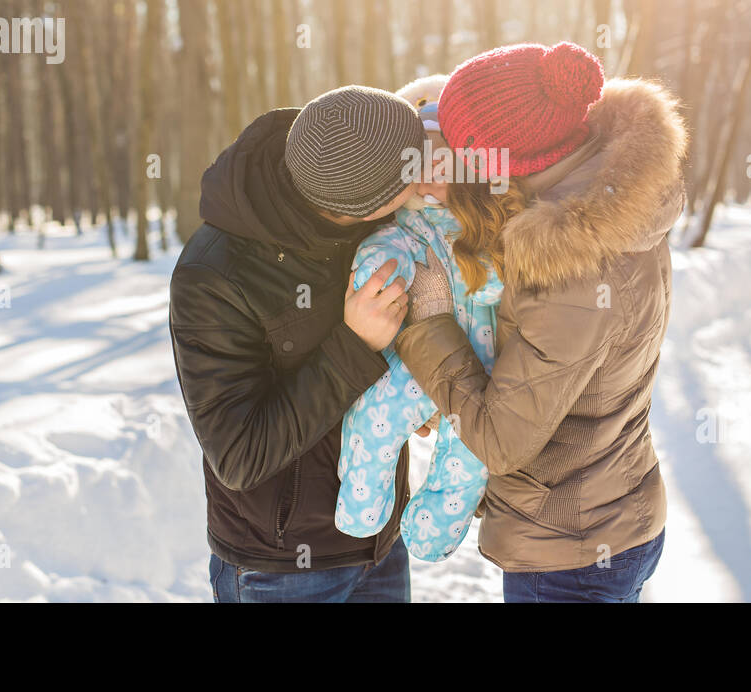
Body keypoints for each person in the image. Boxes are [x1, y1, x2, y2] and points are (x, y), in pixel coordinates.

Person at [396, 42, 689, 603]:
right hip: (619, 515)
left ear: (493, 162)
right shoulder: (613, 191)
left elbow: (501, 441)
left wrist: (425, 324)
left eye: (459, 149)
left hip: (568, 556)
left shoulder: (568, 268)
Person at [169, 85, 424, 602]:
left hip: (380, 541)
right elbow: (241, 456)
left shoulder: (373, 215)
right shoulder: (213, 275)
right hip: (283, 568)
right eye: (414, 175)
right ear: (359, 206)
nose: (428, 184)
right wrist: (354, 345)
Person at [334, 75, 500, 563]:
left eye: (441, 164)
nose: (428, 179)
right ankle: (360, 509)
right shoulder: (404, 224)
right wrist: (379, 271)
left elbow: (498, 278)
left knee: (470, 451)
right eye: (418, 165)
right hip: (412, 361)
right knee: (373, 419)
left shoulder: (485, 225)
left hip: (477, 366)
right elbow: (384, 252)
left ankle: (435, 530)